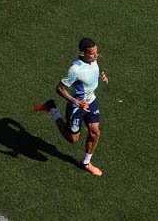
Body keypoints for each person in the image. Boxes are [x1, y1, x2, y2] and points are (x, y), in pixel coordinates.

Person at [31, 37, 108, 176]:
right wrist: (76, 102)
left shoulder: (93, 60)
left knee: (95, 132)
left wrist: (101, 76)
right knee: (72, 139)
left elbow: (91, 72)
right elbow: (59, 88)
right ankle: (52, 108)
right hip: (77, 107)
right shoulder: (75, 70)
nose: (96, 56)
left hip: (91, 102)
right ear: (82, 53)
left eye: (96, 52)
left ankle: (86, 162)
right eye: (92, 54)